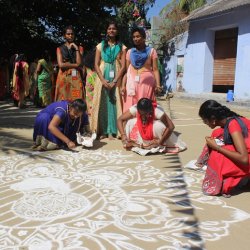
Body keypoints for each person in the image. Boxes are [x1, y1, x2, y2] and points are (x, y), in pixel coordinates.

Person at [197, 100, 250, 196]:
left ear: (213, 119)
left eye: (205, 120)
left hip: (246, 159)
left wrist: (217, 147)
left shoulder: (233, 124)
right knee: (216, 134)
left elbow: (244, 159)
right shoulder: (228, 122)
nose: (205, 123)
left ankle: (237, 179)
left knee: (217, 156)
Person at [90, 21, 126, 139]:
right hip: (102, 76)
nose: (111, 30)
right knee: (103, 102)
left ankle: (114, 130)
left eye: (114, 29)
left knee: (114, 102)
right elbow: (95, 64)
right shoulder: (100, 46)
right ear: (107, 31)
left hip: (117, 76)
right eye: (109, 28)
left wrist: (115, 80)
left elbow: (124, 66)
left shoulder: (122, 47)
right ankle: (103, 130)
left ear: (117, 31)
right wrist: (103, 80)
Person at [117, 97, 187, 152]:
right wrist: (123, 135)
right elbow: (120, 119)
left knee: (158, 126)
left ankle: (155, 144)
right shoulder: (135, 109)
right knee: (130, 122)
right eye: (141, 114)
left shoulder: (158, 111)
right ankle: (138, 143)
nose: (143, 116)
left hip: (156, 135)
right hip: (143, 131)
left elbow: (171, 127)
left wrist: (160, 142)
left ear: (150, 110)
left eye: (145, 114)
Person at [121, 27, 162, 112]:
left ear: (144, 37)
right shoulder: (129, 52)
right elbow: (127, 71)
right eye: (134, 37)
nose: (135, 39)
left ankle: (145, 125)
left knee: (145, 108)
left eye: (138, 36)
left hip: (146, 85)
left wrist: (158, 85)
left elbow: (155, 69)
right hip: (131, 86)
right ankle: (131, 125)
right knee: (130, 110)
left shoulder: (151, 51)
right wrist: (123, 86)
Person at [54, 25, 84, 101]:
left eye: (72, 34)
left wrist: (76, 49)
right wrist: (75, 65)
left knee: (77, 98)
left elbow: (80, 63)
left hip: (75, 76)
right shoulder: (59, 48)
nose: (70, 35)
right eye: (68, 34)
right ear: (64, 35)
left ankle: (76, 113)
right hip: (63, 75)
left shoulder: (79, 48)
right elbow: (61, 65)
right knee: (62, 97)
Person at [83, 48, 97, 117]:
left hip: (89, 84)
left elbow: (84, 74)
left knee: (89, 100)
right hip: (96, 83)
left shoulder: (87, 65)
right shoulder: (98, 64)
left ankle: (90, 117)